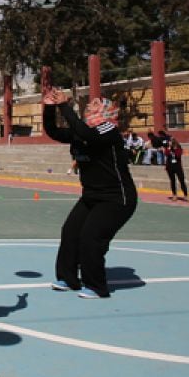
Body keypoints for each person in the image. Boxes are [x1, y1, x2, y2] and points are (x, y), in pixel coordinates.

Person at [42, 74, 137, 300]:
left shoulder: (108, 130)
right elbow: (54, 132)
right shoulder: (82, 132)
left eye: (96, 103)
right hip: (92, 196)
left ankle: (96, 286)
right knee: (70, 231)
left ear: (106, 111)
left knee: (91, 237)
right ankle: (68, 278)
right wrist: (49, 107)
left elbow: (87, 134)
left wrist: (64, 105)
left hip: (116, 198)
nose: (90, 105)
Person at [165, 133, 189, 201]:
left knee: (181, 181)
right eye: (170, 142)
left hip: (177, 166)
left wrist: (174, 149)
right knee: (172, 181)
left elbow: (178, 155)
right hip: (170, 167)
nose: (170, 143)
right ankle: (174, 195)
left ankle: (185, 195)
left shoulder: (179, 147)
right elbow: (166, 154)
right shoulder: (168, 148)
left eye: (172, 142)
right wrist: (169, 148)